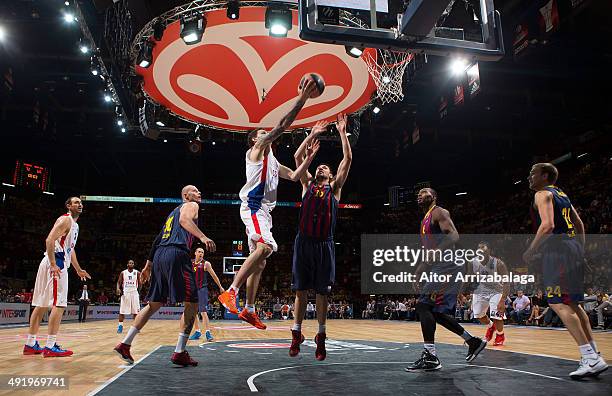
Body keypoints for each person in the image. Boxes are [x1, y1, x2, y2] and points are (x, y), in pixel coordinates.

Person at [218, 79, 320, 329]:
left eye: (266, 132)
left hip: (264, 212)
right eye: (262, 132)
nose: (266, 133)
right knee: (265, 247)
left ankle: (249, 309)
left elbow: (295, 177)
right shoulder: (257, 151)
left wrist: (309, 159)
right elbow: (283, 125)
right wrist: (303, 99)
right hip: (253, 207)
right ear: (255, 140)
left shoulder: (274, 162)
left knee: (261, 260)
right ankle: (230, 291)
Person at [113, 185, 215, 367]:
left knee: (154, 304)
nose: (199, 193)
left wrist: (148, 266)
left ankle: (125, 343)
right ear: (186, 195)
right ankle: (179, 351)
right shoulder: (191, 206)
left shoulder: (171, 214)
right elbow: (185, 221)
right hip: (177, 253)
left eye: (200, 190)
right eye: (195, 190)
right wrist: (203, 237)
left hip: (160, 256)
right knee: (192, 301)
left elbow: (157, 239)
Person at [524, 163, 607, 379]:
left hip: (558, 250)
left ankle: (588, 357)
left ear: (545, 175)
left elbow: (548, 225)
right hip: (572, 248)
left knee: (557, 302)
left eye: (533, 173)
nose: (529, 177)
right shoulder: (562, 194)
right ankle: (594, 355)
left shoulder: (542, 193)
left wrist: (531, 250)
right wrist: (580, 249)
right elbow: (579, 223)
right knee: (573, 304)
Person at [288, 115, 352, 360]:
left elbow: (348, 159)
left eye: (325, 167)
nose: (321, 167)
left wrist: (342, 133)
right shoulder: (306, 185)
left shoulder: (334, 189)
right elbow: (296, 158)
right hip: (304, 242)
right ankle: (296, 332)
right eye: (319, 166)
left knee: (322, 293)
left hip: (324, 245)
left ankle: (321, 336)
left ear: (331, 173)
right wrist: (312, 135)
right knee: (301, 291)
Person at [406, 188, 486, 372]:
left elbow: (454, 235)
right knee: (435, 312)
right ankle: (472, 341)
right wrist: (419, 269)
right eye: (417, 193)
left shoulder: (439, 212)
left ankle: (431, 357)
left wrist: (439, 253)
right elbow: (430, 251)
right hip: (440, 266)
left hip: (449, 265)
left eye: (423, 192)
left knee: (423, 305)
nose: (419, 194)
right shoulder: (425, 219)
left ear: (433, 197)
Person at [23, 197, 91, 357]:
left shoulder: (75, 225)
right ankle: (50, 346)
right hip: (56, 263)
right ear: (68, 206)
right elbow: (49, 239)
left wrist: (78, 269)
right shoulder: (65, 220)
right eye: (76, 202)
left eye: (81, 203)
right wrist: (54, 264)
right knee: (59, 304)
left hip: (52, 262)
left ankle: (30, 344)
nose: (80, 204)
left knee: (41, 305)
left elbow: (70, 249)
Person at [470, 242, 510, 346]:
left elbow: (506, 282)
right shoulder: (473, 262)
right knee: (478, 315)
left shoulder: (499, 263)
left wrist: (502, 300)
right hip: (480, 290)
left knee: (496, 315)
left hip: (496, 291)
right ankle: (491, 326)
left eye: (484, 252)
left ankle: (500, 335)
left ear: (489, 252)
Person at [186, 247, 225, 342]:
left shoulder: (206, 264)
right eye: (199, 251)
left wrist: (220, 286)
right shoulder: (190, 262)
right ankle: (197, 331)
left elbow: (214, 276)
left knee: (203, 311)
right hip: (192, 290)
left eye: (202, 252)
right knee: (193, 312)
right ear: (195, 253)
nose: (201, 253)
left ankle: (208, 333)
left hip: (202, 289)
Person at [116, 260, 141, 334]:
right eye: (130, 263)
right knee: (122, 311)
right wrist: (118, 288)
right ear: (127, 264)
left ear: (134, 265)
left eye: (132, 263)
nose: (131, 264)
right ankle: (120, 327)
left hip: (134, 293)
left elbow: (140, 283)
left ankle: (135, 328)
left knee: (136, 312)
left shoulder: (137, 272)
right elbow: (119, 282)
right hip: (125, 293)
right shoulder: (123, 272)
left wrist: (138, 291)